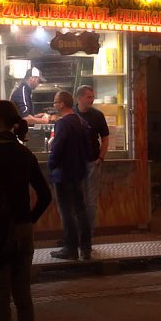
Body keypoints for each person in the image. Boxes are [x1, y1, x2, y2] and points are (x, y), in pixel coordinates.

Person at [0, 100, 52, 321]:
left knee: (0, 299)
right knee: (23, 297)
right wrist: (28, 220)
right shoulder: (25, 153)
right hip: (23, 230)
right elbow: (45, 195)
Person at [47, 91, 92, 261]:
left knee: (66, 212)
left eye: (55, 102)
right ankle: (86, 248)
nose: (54, 105)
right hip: (78, 172)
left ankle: (70, 248)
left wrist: (51, 166)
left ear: (62, 104)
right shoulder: (82, 121)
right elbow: (89, 150)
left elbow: (57, 149)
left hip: (63, 173)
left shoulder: (63, 124)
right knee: (80, 210)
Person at [74, 85, 110, 237]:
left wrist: (101, 157)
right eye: (88, 97)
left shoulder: (97, 115)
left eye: (92, 96)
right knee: (77, 198)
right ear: (79, 98)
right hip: (75, 162)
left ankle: (89, 232)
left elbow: (105, 138)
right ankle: (77, 231)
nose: (92, 99)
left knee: (91, 200)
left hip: (92, 161)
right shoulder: (72, 114)